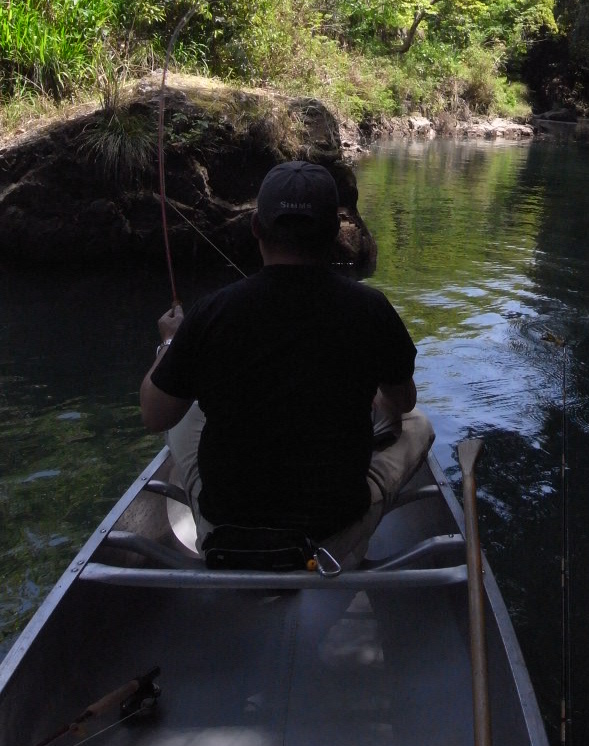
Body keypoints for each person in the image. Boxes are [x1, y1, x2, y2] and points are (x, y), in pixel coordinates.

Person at [139, 160, 434, 567]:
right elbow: (402, 401)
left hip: (227, 526)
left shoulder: (212, 312)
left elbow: (154, 415)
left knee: (183, 412)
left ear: (257, 228)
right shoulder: (372, 309)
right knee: (418, 423)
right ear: (335, 232)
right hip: (334, 528)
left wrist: (171, 343)